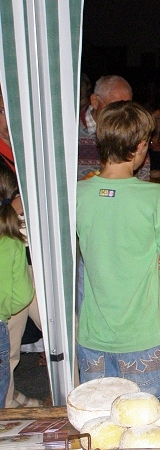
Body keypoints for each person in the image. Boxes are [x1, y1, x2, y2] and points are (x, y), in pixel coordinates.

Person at [76, 101, 160, 400]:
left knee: (99, 421)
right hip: (142, 338)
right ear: (140, 147)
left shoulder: (78, 194)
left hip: (93, 338)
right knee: (146, 421)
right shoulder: (153, 197)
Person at [0, 92, 44, 408]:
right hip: (11, 258)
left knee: (65, 328)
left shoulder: (28, 147)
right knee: (9, 346)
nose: (8, 118)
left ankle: (81, 391)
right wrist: (13, 207)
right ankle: (8, 403)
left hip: (38, 255)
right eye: (3, 110)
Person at [0, 164, 34, 407]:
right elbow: (22, 296)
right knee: (7, 356)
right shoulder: (10, 241)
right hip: (18, 267)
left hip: (33, 263)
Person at [78, 75, 147, 181]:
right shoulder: (70, 132)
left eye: (128, 106)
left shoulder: (135, 131)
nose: (123, 113)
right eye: (115, 106)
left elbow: (143, 180)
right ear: (95, 101)